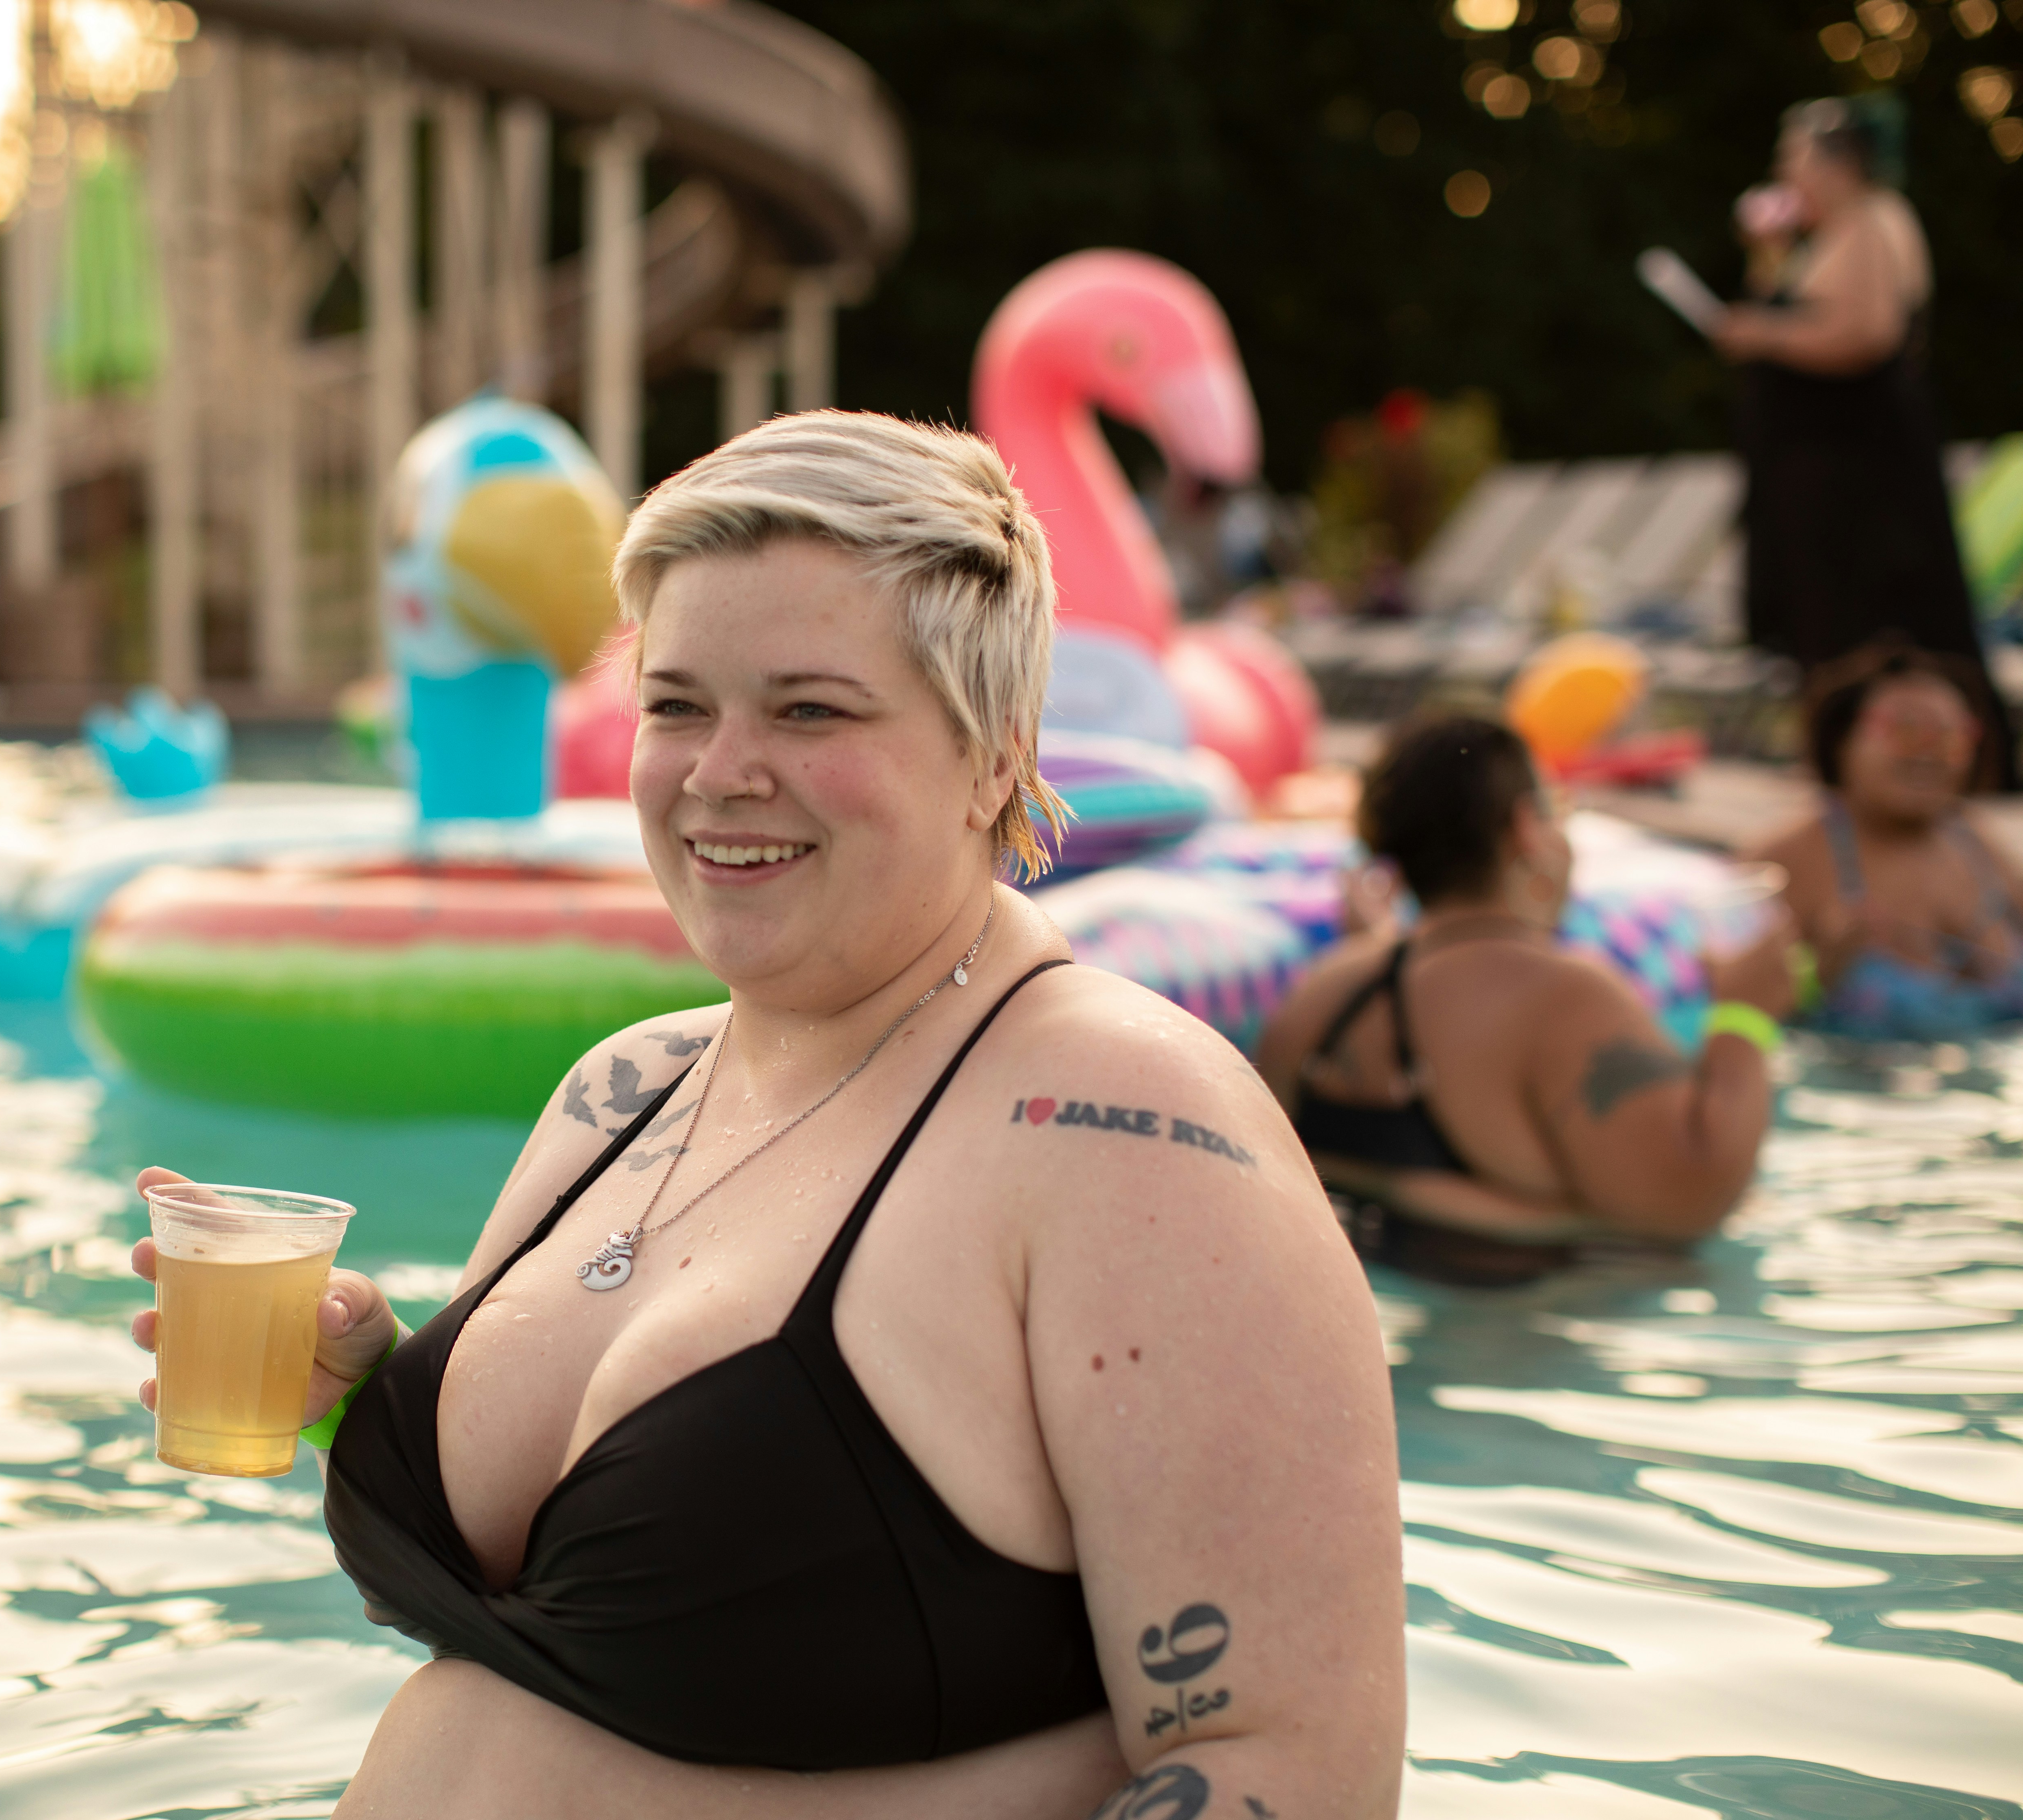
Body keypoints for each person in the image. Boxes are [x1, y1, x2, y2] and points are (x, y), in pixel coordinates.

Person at [128, 413, 1406, 1816]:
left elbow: (1290, 1774)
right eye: (678, 705)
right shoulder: (624, 1092)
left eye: (809, 709)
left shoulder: (1122, 1127)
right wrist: (364, 1401)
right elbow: (589, 1632)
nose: (718, 771)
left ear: (994, 755)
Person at [1254, 715, 1797, 1287]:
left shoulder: (1321, 997)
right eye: (1555, 811)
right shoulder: (1566, 998)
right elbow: (1688, 1201)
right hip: (1531, 1347)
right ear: (1526, 829)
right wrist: (1744, 1020)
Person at [1715, 95, 2011, 789]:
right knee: (1825, 627)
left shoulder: (1877, 221)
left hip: (1863, 470)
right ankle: (1843, 767)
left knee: (1887, 625)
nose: (1784, 170)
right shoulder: (1827, 237)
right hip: (1818, 469)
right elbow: (1785, 308)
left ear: (1836, 161)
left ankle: (1938, 771)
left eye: (1793, 155)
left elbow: (1867, 335)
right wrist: (1767, 253)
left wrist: (1759, 333)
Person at [1753, 641, 2023, 1040]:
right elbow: (1716, 1012)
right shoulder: (1788, 861)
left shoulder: (1982, 849)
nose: (1927, 754)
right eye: (1906, 731)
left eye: (1950, 737)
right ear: (1843, 738)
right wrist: (1813, 975)